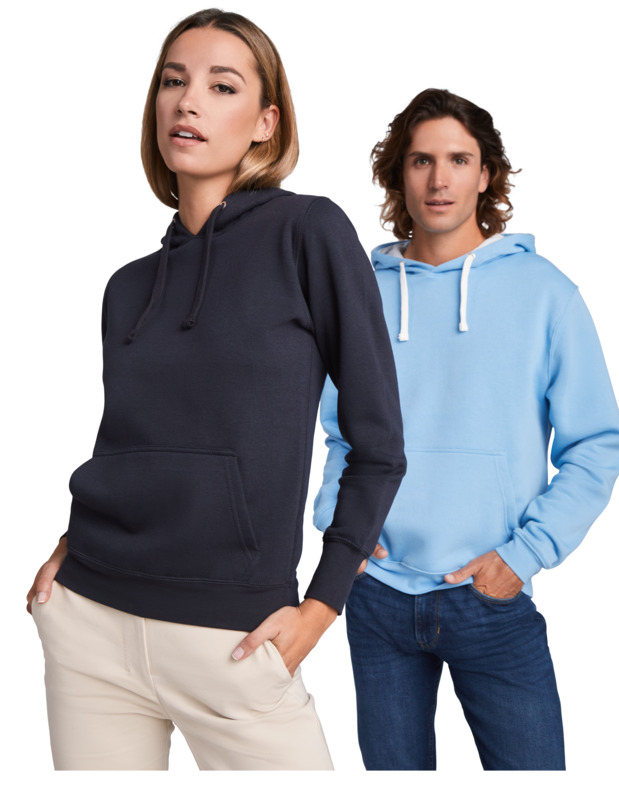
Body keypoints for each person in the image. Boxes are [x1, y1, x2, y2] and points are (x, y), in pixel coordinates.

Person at [27, 9, 405, 771]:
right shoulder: (127, 287)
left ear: (266, 123)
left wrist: (321, 604)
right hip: (89, 622)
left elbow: (379, 445)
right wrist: (69, 546)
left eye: (221, 85)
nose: (188, 100)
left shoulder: (307, 233)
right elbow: (125, 440)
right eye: (173, 81)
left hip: (234, 634)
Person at [314, 88, 619, 770]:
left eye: (458, 160)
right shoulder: (362, 293)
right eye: (421, 160)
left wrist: (525, 554)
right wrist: (342, 530)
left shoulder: (545, 292)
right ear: (398, 174)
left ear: (486, 175)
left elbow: (597, 444)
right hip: (378, 593)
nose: (439, 179)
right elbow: (340, 433)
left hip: (491, 596)